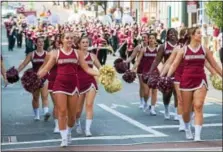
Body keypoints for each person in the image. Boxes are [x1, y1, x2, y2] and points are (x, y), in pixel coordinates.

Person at [37, 32, 99, 147]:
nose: (69, 40)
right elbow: (46, 69)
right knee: (61, 111)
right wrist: (35, 78)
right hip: (59, 85)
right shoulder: (56, 53)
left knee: (72, 115)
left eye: (71, 38)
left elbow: (87, 69)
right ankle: (64, 138)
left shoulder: (78, 53)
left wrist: (101, 73)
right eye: (67, 38)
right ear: (62, 40)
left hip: (74, 86)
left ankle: (69, 131)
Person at [166, 26, 222, 141]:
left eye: (201, 33)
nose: (201, 35)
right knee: (186, 110)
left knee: (198, 105)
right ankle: (187, 128)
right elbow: (174, 65)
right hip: (186, 81)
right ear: (192, 36)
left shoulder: (204, 49)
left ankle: (197, 135)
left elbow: (215, 65)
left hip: (200, 80)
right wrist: (166, 78)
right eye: (198, 33)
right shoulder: (183, 50)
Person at [17, 36, 50, 121]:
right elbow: (24, 64)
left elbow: (51, 66)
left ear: (44, 43)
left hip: (45, 77)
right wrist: (16, 71)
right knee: (35, 97)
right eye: (39, 42)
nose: (40, 43)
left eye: (42, 42)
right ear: (35, 43)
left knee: (45, 95)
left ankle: (46, 113)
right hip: (34, 78)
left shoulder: (47, 54)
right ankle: (37, 114)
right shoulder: (32, 54)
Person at [149, 28, 178, 120]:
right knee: (167, 94)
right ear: (167, 35)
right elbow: (157, 60)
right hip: (167, 72)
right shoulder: (163, 46)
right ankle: (166, 109)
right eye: (170, 33)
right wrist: (151, 72)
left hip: (178, 72)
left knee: (177, 93)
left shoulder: (181, 45)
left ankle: (176, 112)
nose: (172, 34)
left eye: (174, 33)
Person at [75, 36, 101, 137]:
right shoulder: (75, 55)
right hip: (78, 83)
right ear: (79, 44)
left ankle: (87, 129)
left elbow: (100, 68)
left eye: (87, 42)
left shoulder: (93, 56)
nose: (85, 44)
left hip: (91, 82)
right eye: (83, 42)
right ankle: (78, 124)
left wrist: (108, 73)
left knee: (89, 105)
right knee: (78, 110)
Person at [133, 33, 158, 115]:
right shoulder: (144, 49)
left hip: (154, 73)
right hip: (145, 73)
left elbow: (163, 62)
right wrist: (133, 68)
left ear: (155, 40)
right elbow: (138, 60)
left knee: (154, 91)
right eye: (150, 38)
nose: (151, 40)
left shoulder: (158, 50)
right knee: (146, 92)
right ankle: (145, 102)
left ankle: (153, 108)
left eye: (153, 38)